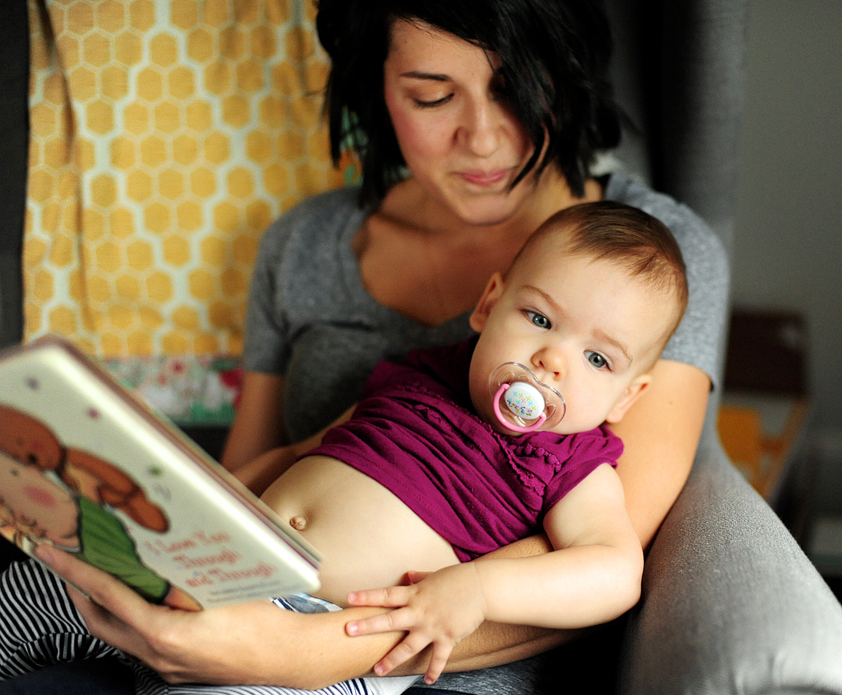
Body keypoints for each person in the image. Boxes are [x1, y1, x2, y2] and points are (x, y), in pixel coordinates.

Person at [9, 0, 728, 693]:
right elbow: (270, 461)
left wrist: (306, 652)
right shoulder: (332, 277)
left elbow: (605, 567)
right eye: (431, 95)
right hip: (233, 588)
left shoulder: (656, 275)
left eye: (516, 88)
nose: (481, 136)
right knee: (42, 593)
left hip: (388, 659)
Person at [0, 200, 686, 695]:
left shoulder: (571, 462)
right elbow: (306, 448)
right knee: (39, 583)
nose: (551, 359)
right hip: (229, 566)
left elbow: (613, 570)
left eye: (598, 359)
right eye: (539, 318)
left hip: (332, 642)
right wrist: (197, 506)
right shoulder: (422, 375)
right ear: (488, 307)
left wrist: (478, 588)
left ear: (629, 396)